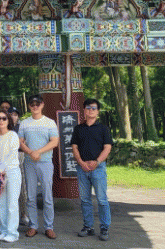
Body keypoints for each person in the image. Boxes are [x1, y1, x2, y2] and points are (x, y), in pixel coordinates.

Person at [71, 98, 113, 242]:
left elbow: (107, 147)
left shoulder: (103, 129)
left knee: (102, 199)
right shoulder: (78, 129)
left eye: (94, 108)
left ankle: (104, 227)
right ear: (84, 110)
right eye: (88, 108)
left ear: (98, 111)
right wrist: (81, 162)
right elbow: (74, 147)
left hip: (98, 168)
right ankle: (88, 226)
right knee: (85, 200)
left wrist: (97, 162)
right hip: (82, 168)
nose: (91, 110)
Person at [18, 94, 59, 239]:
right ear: (29, 106)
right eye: (32, 104)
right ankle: (33, 225)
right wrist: (30, 152)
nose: (35, 106)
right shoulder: (24, 123)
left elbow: (54, 141)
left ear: (42, 105)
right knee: (30, 196)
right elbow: (20, 142)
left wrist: (38, 152)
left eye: (37, 104)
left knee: (47, 196)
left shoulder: (50, 122)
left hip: (45, 162)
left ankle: (49, 227)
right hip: (29, 163)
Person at [0, 110, 21, 243]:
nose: (1, 121)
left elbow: (12, 154)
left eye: (4, 118)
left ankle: (12, 233)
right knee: (0, 204)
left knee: (12, 204)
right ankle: (3, 230)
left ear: (8, 120)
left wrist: (2, 168)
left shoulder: (13, 135)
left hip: (12, 172)